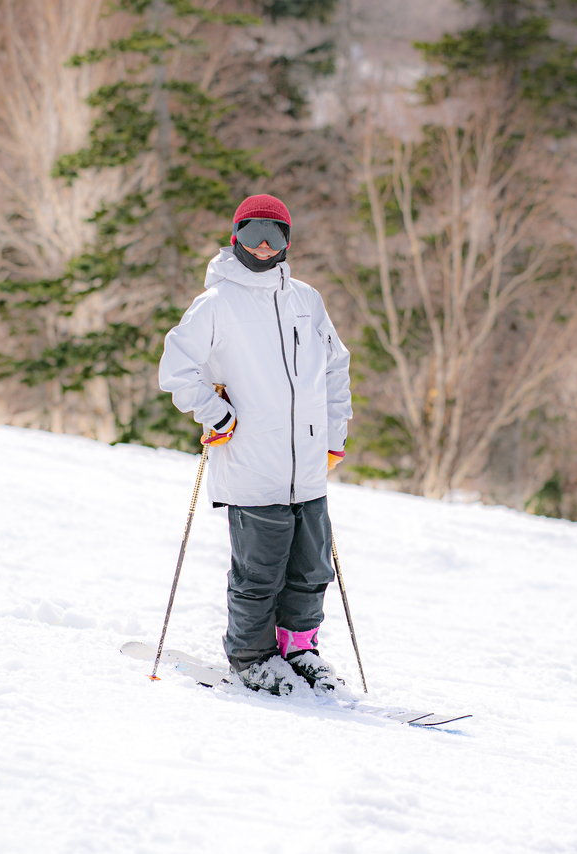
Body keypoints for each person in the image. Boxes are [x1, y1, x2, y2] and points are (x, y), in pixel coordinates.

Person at [158, 194, 352, 696]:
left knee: (311, 570)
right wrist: (216, 412)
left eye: (276, 235)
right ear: (234, 237)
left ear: (289, 241)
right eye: (252, 234)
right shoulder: (216, 304)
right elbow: (176, 370)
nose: (263, 246)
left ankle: (300, 650)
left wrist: (334, 435)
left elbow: (335, 368)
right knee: (260, 574)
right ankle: (251, 658)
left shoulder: (306, 300)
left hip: (307, 464)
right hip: (251, 463)